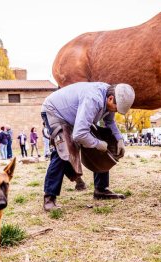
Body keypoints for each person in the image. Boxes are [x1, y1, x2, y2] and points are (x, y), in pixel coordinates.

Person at [41, 82, 135, 211]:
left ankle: (101, 189)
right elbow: (79, 134)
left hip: (75, 117)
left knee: (103, 140)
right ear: (111, 98)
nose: (115, 111)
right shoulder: (93, 99)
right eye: (116, 108)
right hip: (55, 112)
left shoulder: (111, 95)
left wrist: (119, 139)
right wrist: (97, 144)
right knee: (63, 151)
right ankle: (49, 199)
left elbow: (109, 121)